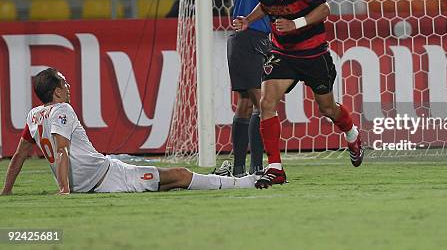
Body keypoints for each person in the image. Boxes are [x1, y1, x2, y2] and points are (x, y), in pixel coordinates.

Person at [232, 0, 364, 189]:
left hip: (313, 54)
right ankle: (275, 168)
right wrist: (248, 19)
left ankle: (352, 133)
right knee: (267, 103)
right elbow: (266, 4)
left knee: (328, 109)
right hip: (283, 53)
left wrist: (296, 24)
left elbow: (323, 8)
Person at [1, 68, 259, 195]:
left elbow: (19, 156)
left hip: (102, 173)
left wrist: (7, 191)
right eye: (64, 82)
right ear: (57, 91)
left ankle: (227, 178)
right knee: (179, 175)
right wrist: (65, 190)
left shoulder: (33, 116)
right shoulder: (63, 109)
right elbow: (62, 151)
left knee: (156, 170)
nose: (68, 86)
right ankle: (243, 182)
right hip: (110, 177)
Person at [216, 0, 271, 178]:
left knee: (246, 104)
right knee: (262, 103)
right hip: (246, 39)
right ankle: (258, 167)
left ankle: (240, 168)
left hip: (257, 39)